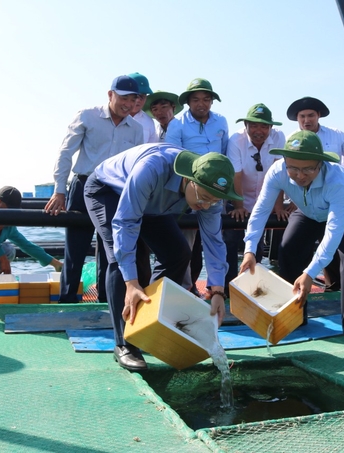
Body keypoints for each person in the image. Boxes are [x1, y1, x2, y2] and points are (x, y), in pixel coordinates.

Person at [83, 144, 242, 371]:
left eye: (214, 201)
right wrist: (131, 283)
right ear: (189, 179)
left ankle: (150, 319)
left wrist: (217, 290)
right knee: (124, 261)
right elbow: (126, 222)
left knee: (178, 253)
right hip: (109, 191)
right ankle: (125, 343)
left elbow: (214, 241)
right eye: (204, 198)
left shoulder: (210, 195)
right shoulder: (152, 168)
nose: (205, 205)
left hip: (153, 204)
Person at [239, 131, 344, 352]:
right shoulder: (277, 171)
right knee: (288, 248)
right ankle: (295, 316)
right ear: (285, 162)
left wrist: (310, 273)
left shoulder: (337, 181)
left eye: (308, 169)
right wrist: (250, 250)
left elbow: (333, 231)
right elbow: (261, 211)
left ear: (320, 164)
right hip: (309, 209)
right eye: (293, 168)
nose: (300, 176)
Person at [44, 75, 144, 303]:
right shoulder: (87, 115)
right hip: (83, 186)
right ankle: (67, 302)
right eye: (123, 98)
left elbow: (136, 168)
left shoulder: (136, 129)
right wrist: (59, 190)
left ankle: (105, 303)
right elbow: (65, 152)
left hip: (115, 192)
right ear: (110, 95)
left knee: (110, 252)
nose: (128, 104)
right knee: (74, 252)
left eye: (133, 99)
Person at [287, 96, 344, 290]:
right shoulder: (292, 140)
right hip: (308, 203)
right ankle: (291, 293)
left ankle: (337, 291)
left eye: (311, 115)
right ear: (297, 119)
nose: (306, 120)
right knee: (290, 245)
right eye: (302, 116)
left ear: (319, 115)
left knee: (340, 248)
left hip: (334, 198)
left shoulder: (336, 135)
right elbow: (287, 173)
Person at [166, 78, 229, 294]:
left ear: (212, 101)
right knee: (184, 242)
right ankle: (184, 289)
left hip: (214, 191)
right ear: (188, 102)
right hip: (186, 192)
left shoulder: (221, 122)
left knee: (214, 239)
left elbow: (226, 154)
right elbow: (171, 159)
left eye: (206, 99)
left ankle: (216, 287)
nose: (201, 104)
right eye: (196, 100)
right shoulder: (177, 124)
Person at [225, 103, 289, 293]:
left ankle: (253, 288)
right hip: (238, 197)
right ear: (246, 125)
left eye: (263, 126)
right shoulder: (236, 140)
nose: (258, 131)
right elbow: (236, 175)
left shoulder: (279, 137)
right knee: (229, 240)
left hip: (265, 200)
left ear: (271, 127)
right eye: (253, 125)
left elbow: (279, 173)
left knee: (257, 245)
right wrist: (239, 205)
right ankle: (227, 287)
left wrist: (278, 207)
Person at [127, 72, 158, 143]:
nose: (138, 100)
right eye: (135, 95)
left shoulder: (149, 122)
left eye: (142, 96)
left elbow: (150, 148)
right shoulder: (113, 116)